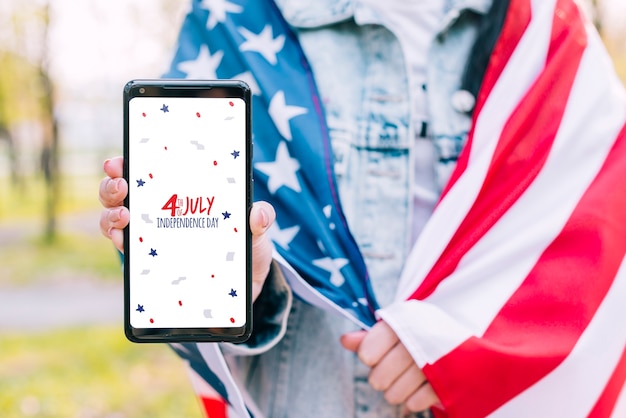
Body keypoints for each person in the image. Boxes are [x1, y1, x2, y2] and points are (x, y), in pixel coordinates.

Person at [99, 0, 626, 416]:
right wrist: (238, 283)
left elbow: (595, 229)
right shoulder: (236, 18)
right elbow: (191, 249)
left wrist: (457, 343)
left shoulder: (546, 32)